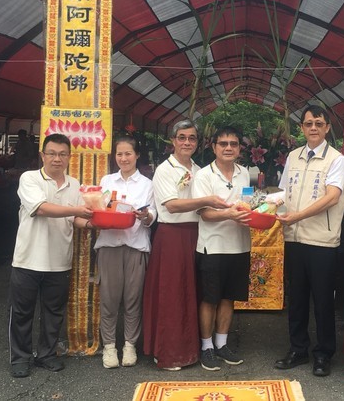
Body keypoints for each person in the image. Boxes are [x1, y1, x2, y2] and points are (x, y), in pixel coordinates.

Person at [143, 120, 229, 371]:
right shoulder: (164, 170)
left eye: (192, 138)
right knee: (172, 293)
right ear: (173, 140)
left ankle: (191, 349)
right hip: (172, 235)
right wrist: (207, 199)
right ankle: (168, 351)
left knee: (192, 292)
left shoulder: (199, 169)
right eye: (182, 137)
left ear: (198, 142)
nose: (187, 143)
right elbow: (171, 205)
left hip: (197, 234)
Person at [8, 134, 94, 378]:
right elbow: (42, 208)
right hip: (27, 259)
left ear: (69, 157)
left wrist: (94, 223)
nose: (57, 159)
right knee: (22, 312)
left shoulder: (75, 184)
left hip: (59, 260)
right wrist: (78, 210)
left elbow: (75, 219)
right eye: (52, 153)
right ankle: (20, 358)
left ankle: (46, 354)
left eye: (62, 154)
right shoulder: (30, 179)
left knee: (53, 312)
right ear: (43, 155)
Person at [274, 105, 344, 377]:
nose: (313, 128)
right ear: (302, 128)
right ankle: (298, 349)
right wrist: (265, 207)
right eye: (308, 123)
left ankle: (324, 353)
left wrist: (298, 216)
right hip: (294, 238)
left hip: (322, 240)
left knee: (323, 299)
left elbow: (332, 196)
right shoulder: (293, 156)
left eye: (318, 123)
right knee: (297, 298)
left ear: (327, 127)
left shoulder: (336, 159)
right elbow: (282, 192)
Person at [93, 136, 156, 369]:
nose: (123, 158)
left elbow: (153, 216)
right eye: (119, 154)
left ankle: (130, 345)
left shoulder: (147, 184)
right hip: (109, 245)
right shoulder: (107, 181)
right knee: (109, 299)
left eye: (128, 153)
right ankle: (109, 347)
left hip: (135, 246)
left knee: (132, 299)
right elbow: (100, 209)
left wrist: (145, 216)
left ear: (137, 155)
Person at [192, 126, 251, 371]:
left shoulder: (244, 173)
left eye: (234, 144)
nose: (228, 148)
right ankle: (206, 347)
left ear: (239, 149)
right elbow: (204, 213)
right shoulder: (204, 175)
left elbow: (248, 204)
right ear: (214, 147)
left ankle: (222, 344)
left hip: (239, 245)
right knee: (210, 298)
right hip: (212, 246)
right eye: (223, 143)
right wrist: (231, 214)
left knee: (229, 298)